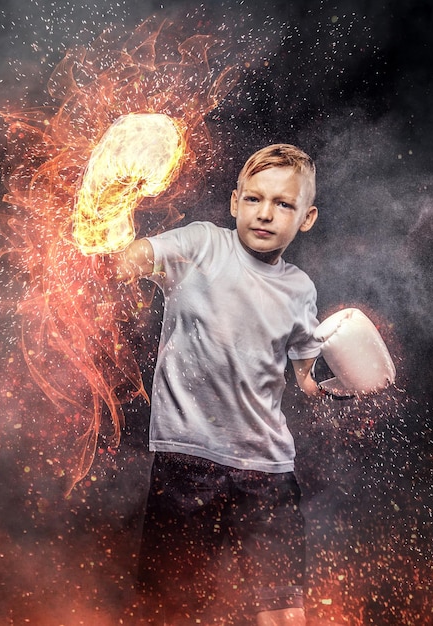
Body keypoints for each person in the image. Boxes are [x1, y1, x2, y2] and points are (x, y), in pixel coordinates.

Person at [115, 143, 323, 625]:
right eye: (253, 199)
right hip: (188, 460)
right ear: (235, 202)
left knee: (284, 613)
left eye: (284, 204)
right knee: (170, 607)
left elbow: (306, 379)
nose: (265, 214)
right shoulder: (202, 243)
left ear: (306, 217)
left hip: (267, 469)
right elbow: (142, 256)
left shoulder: (301, 289)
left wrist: (339, 388)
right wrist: (124, 250)